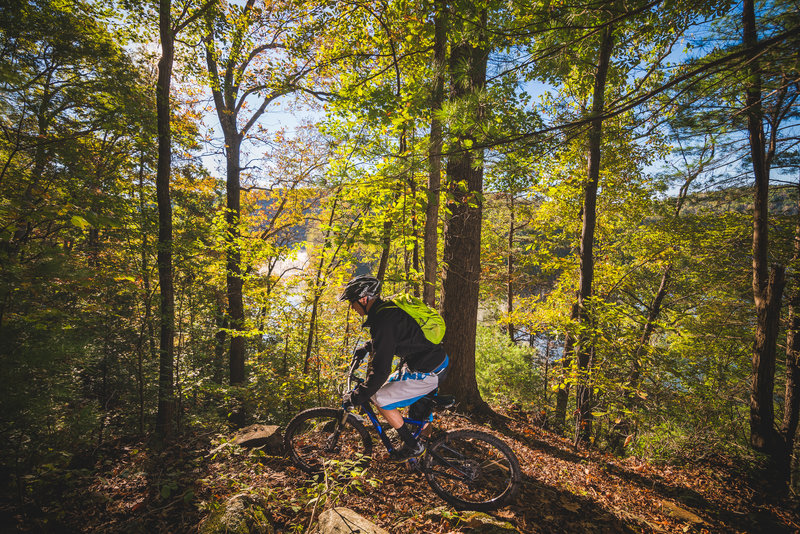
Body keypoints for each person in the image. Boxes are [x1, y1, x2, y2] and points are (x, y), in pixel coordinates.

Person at [339, 275, 449, 462]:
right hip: (429, 362)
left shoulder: (383, 320)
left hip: (428, 371)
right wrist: (367, 347)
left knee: (379, 397)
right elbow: (400, 336)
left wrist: (357, 397)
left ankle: (413, 446)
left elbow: (381, 371)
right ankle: (421, 449)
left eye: (352, 302)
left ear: (364, 299)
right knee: (385, 395)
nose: (352, 307)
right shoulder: (387, 310)